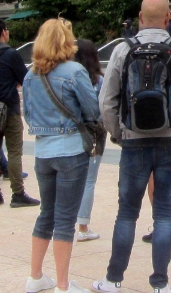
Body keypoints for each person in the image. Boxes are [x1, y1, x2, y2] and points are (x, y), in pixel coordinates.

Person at [93, 0, 171, 293]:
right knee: (165, 214)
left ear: (139, 18)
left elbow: (107, 101)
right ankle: (160, 283)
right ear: (169, 18)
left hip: (134, 140)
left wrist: (118, 132)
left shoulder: (122, 50)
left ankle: (113, 280)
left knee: (127, 212)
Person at [23, 19, 100, 293]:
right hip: (70, 150)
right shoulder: (75, 71)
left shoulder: (30, 75)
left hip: (43, 151)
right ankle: (64, 286)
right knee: (66, 219)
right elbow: (92, 110)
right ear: (67, 41)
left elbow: (28, 115)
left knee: (46, 213)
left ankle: (35, 277)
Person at [0, 18, 38, 208]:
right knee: (14, 152)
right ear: (4, 32)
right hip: (9, 108)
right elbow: (24, 78)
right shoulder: (10, 54)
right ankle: (17, 193)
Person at [75, 39, 105, 242]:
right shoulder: (98, 80)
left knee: (72, 180)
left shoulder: (69, 77)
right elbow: (102, 109)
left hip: (72, 132)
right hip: (93, 134)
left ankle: (66, 223)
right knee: (89, 180)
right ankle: (83, 226)